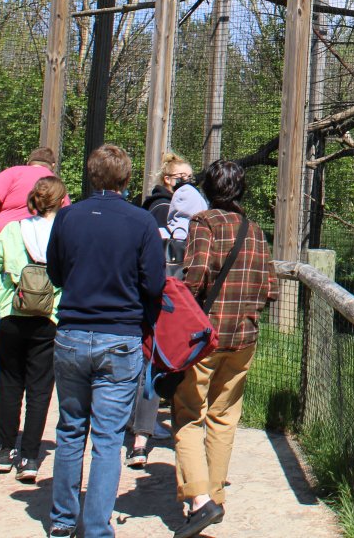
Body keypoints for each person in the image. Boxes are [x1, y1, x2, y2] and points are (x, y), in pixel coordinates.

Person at [46, 144, 164, 538]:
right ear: (126, 179)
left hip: (72, 333)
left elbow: (57, 274)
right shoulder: (141, 222)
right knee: (109, 437)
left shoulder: (67, 217)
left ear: (92, 176)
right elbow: (154, 283)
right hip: (120, 335)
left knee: (70, 429)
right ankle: (96, 527)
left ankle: (62, 521)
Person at [171, 160, 274, 538]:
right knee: (224, 417)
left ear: (207, 189)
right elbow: (271, 287)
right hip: (244, 336)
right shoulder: (256, 230)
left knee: (188, 415)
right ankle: (216, 495)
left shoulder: (204, 223)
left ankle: (199, 497)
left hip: (206, 337)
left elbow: (195, 276)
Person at [0, 174, 66, 484]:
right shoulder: (64, 234)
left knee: (10, 384)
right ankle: (30, 456)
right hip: (48, 320)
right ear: (61, 201)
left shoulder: (12, 230)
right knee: (40, 390)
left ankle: (4, 450)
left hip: (12, 317)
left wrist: (1, 300)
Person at [0, 149, 68, 394]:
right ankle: (27, 371)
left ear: (28, 161)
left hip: (3, 246)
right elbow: (64, 215)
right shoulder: (56, 185)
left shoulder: (12, 173)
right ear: (51, 165)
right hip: (41, 257)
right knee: (38, 312)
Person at [127, 151, 195, 469]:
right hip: (163, 293)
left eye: (190, 177)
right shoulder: (163, 208)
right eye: (182, 177)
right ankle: (144, 428)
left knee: (147, 360)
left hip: (153, 292)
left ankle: (138, 421)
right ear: (168, 180)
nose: (187, 182)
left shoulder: (154, 205)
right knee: (154, 361)